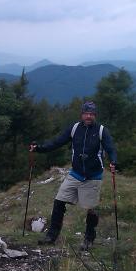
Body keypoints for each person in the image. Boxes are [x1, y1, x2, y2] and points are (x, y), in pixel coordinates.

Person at [29, 101, 116, 250]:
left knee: (91, 209)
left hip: (93, 176)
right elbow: (57, 142)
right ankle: (51, 236)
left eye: (91, 114)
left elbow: (111, 148)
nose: (88, 116)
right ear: (82, 114)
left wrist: (114, 161)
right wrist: (39, 148)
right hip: (75, 174)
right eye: (86, 113)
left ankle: (89, 239)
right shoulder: (75, 128)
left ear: (95, 115)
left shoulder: (101, 131)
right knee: (59, 202)